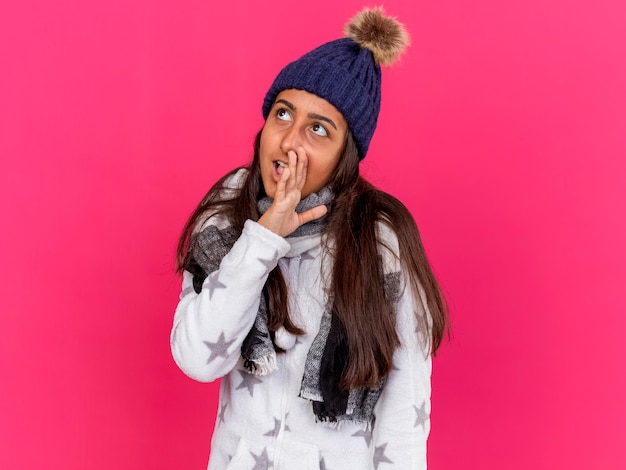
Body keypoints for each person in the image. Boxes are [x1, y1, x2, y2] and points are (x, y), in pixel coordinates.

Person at [171, 6, 448, 469]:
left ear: (346, 154)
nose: (290, 141)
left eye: (319, 129)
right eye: (283, 114)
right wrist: (261, 240)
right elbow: (198, 358)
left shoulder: (381, 242)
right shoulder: (226, 214)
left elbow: (404, 417)